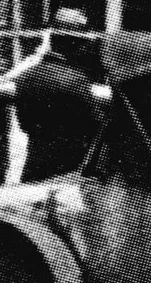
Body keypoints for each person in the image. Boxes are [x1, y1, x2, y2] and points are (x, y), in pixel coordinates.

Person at [11, 9, 103, 182]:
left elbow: (23, 122)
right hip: (70, 175)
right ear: (76, 44)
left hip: (34, 168)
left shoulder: (27, 76)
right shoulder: (76, 80)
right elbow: (95, 126)